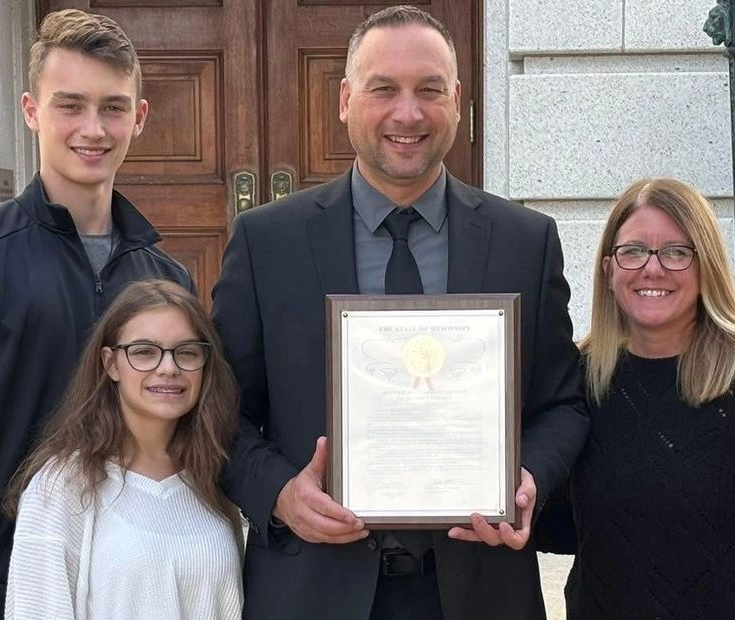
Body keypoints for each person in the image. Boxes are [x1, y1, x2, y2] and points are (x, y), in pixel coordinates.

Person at [211, 5, 588, 619]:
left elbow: (562, 404)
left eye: (429, 90)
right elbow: (220, 410)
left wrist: (530, 482)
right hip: (312, 590)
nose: (407, 113)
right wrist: (279, 493)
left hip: (478, 588)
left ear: (459, 101)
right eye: (383, 88)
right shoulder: (265, 243)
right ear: (345, 99)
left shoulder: (526, 241)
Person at [0, 10, 193, 619]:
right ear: (31, 111)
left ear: (138, 118)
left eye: (113, 107)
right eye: (71, 105)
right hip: (8, 587)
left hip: (136, 592)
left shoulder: (166, 280)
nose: (94, 128)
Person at [535, 178, 735, 618]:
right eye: (633, 251)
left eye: (676, 252)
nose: (653, 269)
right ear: (608, 269)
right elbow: (570, 524)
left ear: (706, 266)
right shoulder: (581, 380)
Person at [4, 279, 242, 619]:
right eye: (144, 352)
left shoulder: (214, 477)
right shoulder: (62, 485)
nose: (168, 367)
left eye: (186, 352)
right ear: (111, 363)